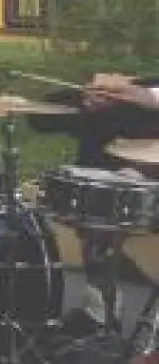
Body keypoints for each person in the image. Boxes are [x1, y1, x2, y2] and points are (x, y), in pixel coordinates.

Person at [29, 72, 159, 331]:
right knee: (97, 209)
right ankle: (100, 310)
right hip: (122, 186)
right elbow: (40, 118)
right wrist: (85, 100)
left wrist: (148, 172)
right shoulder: (122, 98)